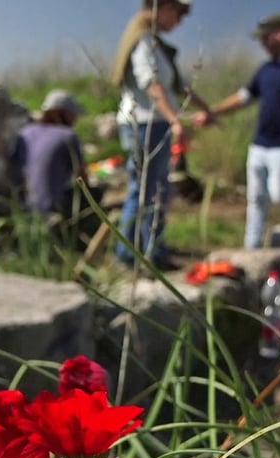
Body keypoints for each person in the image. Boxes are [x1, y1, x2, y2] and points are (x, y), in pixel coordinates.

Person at [198, 14, 280, 249]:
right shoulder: (266, 69)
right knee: (255, 199)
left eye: (265, 38)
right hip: (259, 145)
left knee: (279, 195)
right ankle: (251, 246)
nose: (262, 44)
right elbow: (243, 97)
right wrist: (212, 112)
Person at [110, 0, 213, 270]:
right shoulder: (142, 42)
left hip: (155, 124)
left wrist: (205, 108)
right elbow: (151, 85)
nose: (179, 21)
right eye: (177, 13)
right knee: (145, 191)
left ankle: (149, 248)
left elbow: (175, 85)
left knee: (157, 189)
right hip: (143, 125)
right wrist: (175, 119)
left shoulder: (155, 44)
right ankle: (133, 254)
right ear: (160, 7)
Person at [8, 89, 89, 218]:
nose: (75, 120)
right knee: (94, 194)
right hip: (52, 210)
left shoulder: (25, 132)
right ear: (64, 113)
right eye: (73, 115)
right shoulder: (68, 136)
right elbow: (82, 178)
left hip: (24, 208)